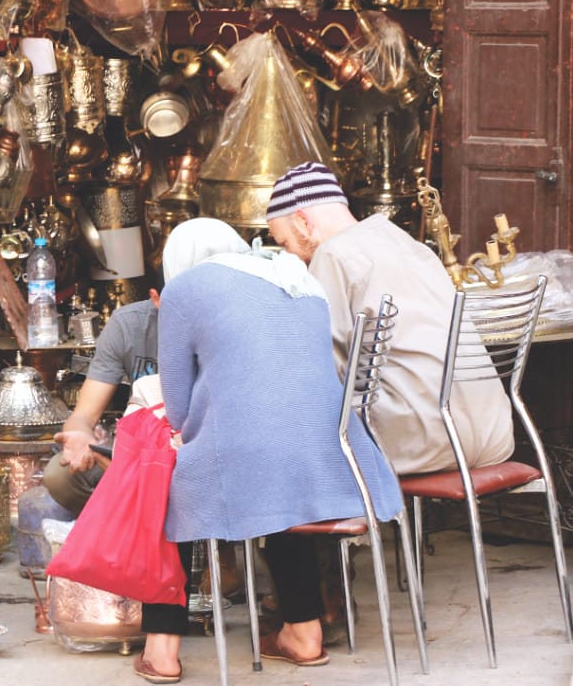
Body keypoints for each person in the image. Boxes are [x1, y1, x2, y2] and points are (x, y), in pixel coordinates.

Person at [135, 217, 403, 683]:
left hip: (258, 456)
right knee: (277, 483)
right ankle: (303, 633)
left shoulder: (185, 289)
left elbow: (177, 408)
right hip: (334, 453)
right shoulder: (297, 276)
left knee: (165, 483)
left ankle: (161, 649)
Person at [264, 161, 514, 475]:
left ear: (302, 221)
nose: (289, 256)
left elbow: (322, 369)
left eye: (284, 243)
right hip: (492, 434)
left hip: (426, 440)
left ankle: (357, 522)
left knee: (288, 431)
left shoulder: (333, 255)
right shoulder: (411, 245)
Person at [47, 296, 159, 514]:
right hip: (138, 450)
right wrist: (80, 437)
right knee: (59, 476)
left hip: (190, 452)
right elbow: (83, 415)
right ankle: (124, 531)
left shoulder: (218, 323)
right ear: (156, 297)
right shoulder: (129, 324)